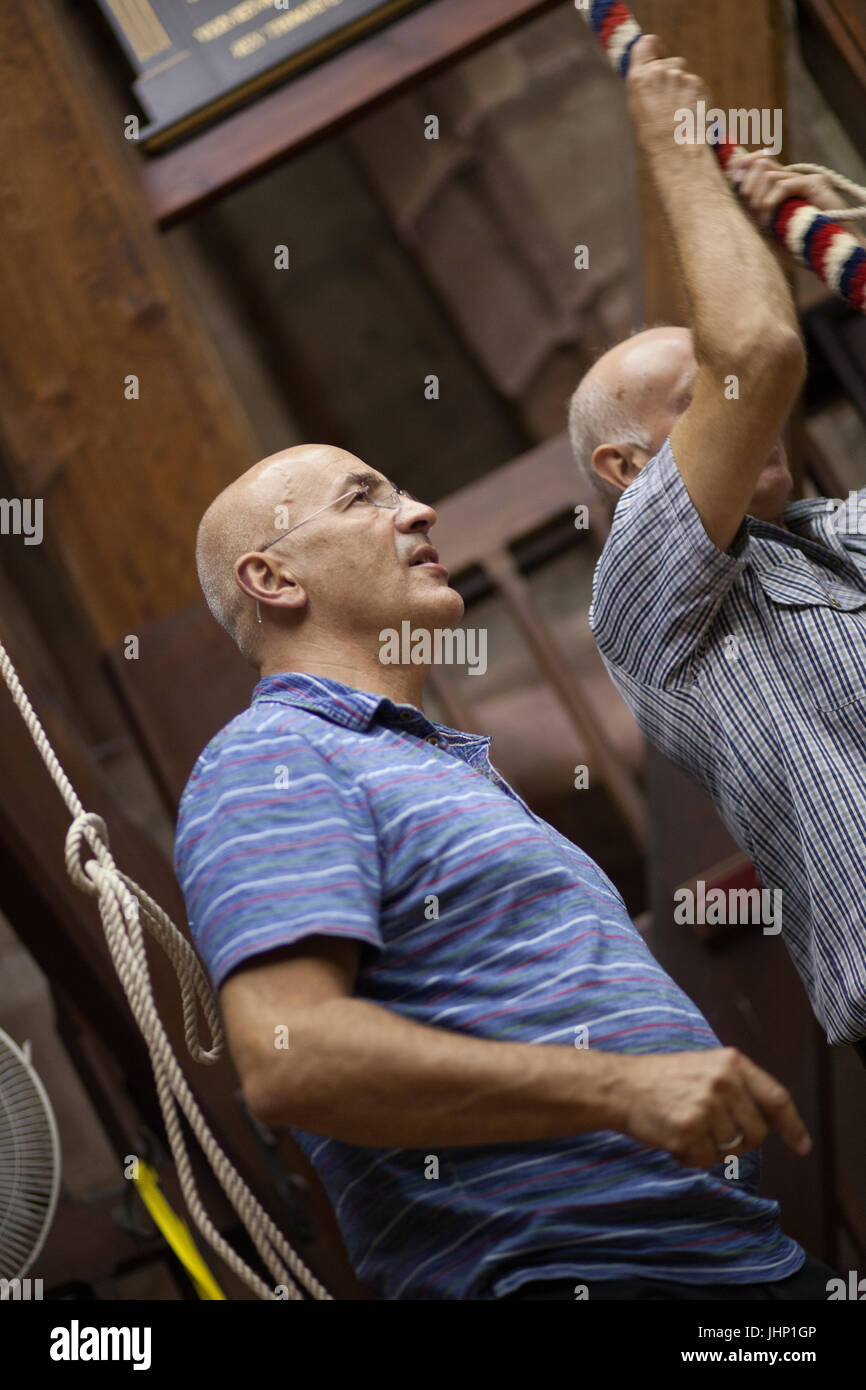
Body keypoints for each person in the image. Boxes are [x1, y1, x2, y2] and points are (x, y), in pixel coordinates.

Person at [175, 430, 835, 1298]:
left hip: (726, 1262)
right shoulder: (273, 758)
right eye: (361, 498)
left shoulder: (425, 761)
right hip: (568, 1276)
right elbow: (290, 1055)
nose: (418, 510)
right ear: (274, 579)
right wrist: (621, 1088)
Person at [571, 37, 866, 1052]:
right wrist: (670, 149)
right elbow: (759, 348)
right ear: (623, 470)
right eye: (695, 408)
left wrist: (826, 232)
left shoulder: (841, 532)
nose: (749, 416)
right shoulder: (643, 595)